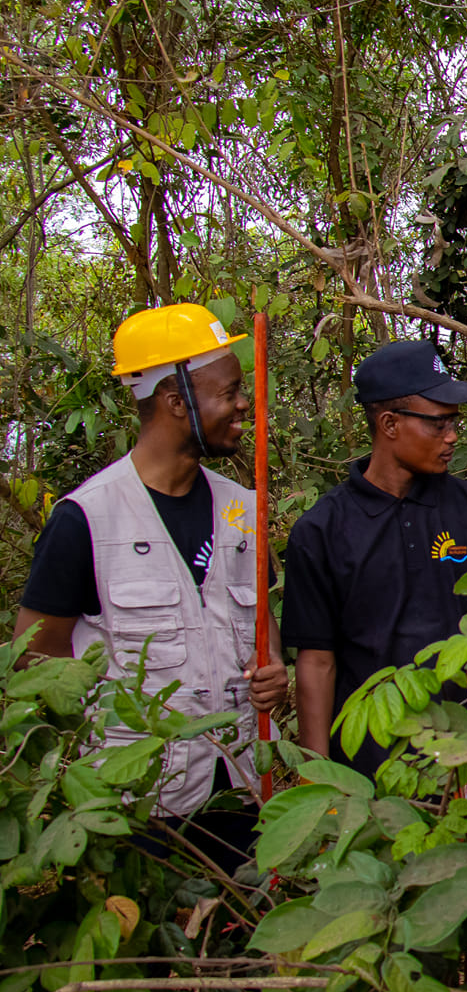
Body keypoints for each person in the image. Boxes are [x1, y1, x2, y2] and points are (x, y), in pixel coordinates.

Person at [13, 304, 286, 862]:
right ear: (175, 401)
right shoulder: (85, 519)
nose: (243, 405)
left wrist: (272, 671)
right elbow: (34, 662)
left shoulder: (244, 512)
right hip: (134, 805)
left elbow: (262, 627)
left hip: (237, 788)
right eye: (229, 391)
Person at [283, 340, 467, 781]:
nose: (452, 436)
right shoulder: (321, 531)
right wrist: (319, 780)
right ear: (389, 424)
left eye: (454, 422)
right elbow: (316, 661)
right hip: (372, 760)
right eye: (438, 423)